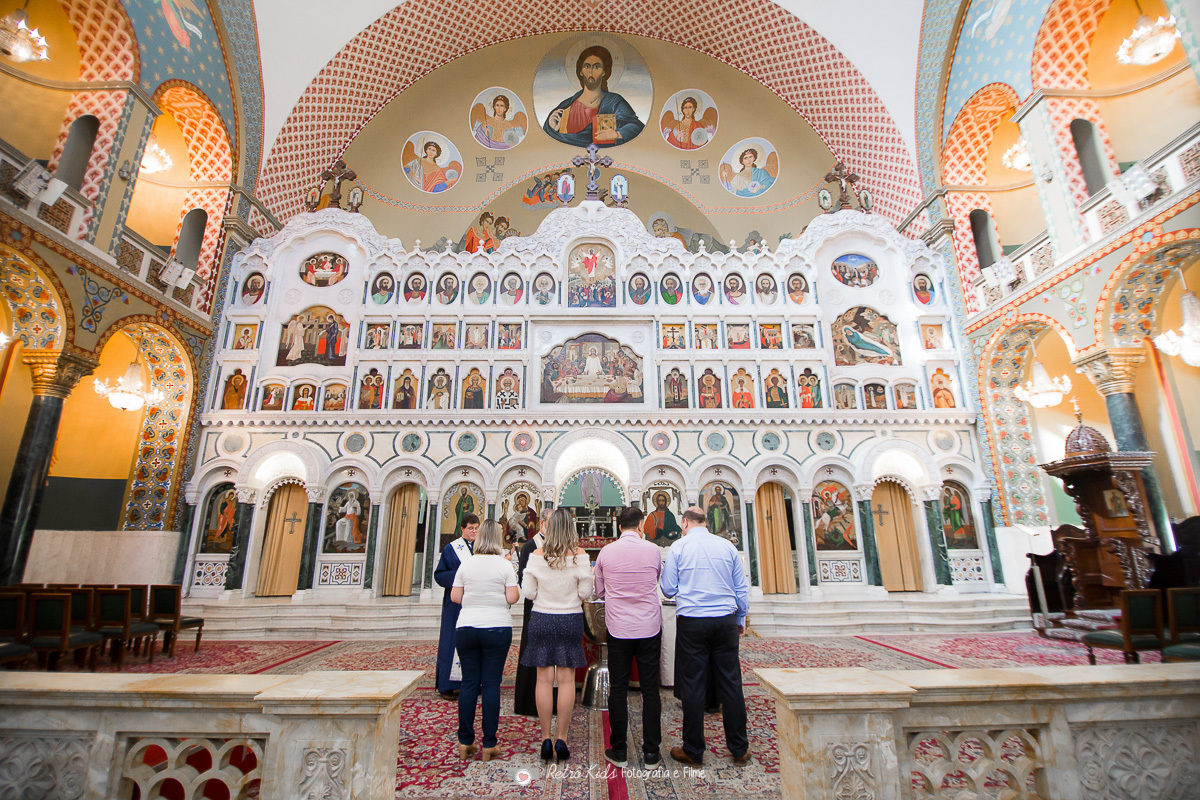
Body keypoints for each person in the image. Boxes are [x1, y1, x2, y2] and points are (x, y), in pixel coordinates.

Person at [660, 507, 750, 767]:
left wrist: (685, 590)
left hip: (693, 621)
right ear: (706, 523)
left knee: (692, 684)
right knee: (731, 682)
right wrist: (740, 619)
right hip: (724, 620)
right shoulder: (727, 547)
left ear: (685, 522)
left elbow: (667, 588)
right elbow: (740, 587)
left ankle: (694, 750)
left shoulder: (678, 547)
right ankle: (739, 749)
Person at [520, 508, 593, 761]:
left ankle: (545, 738)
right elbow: (585, 592)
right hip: (569, 620)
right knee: (565, 680)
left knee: (543, 680)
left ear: (549, 528)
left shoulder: (536, 554)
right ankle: (562, 739)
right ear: (571, 528)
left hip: (541, 618)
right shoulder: (580, 556)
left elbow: (528, 592)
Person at [594, 506, 663, 768]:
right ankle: (651, 753)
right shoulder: (653, 550)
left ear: (619, 527)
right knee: (650, 690)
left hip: (619, 628)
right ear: (641, 525)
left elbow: (599, 591)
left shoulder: (606, 551)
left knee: (618, 689)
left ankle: (619, 750)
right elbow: (656, 580)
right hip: (648, 627)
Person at [451, 520, 519, 761]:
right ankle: (489, 744)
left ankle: (465, 741)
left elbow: (455, 596)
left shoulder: (466, 565)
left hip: (467, 627)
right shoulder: (504, 565)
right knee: (491, 685)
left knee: (469, 684)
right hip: (497, 627)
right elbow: (512, 596)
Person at [543, 45, 644, 147]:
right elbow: (551, 140)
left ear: (604, 72)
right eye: (587, 66)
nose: (591, 71)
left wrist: (617, 134)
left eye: (596, 67)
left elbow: (636, 126)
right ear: (581, 72)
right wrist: (553, 128)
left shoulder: (614, 102)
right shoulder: (566, 107)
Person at [433, 512, 479, 700]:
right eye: (470, 529)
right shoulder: (451, 549)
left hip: (475, 601)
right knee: (452, 641)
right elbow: (440, 575)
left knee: (475, 644)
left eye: (476, 529)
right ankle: (448, 685)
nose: (473, 532)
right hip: (456, 603)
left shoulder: (481, 547)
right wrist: (460, 577)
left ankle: (472, 683)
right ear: (462, 528)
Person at [514, 508, 553, 717]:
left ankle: (550, 700)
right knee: (532, 653)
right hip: (535, 606)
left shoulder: (558, 545)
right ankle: (528, 701)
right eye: (551, 523)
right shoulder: (530, 546)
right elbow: (523, 579)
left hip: (553, 608)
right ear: (542, 524)